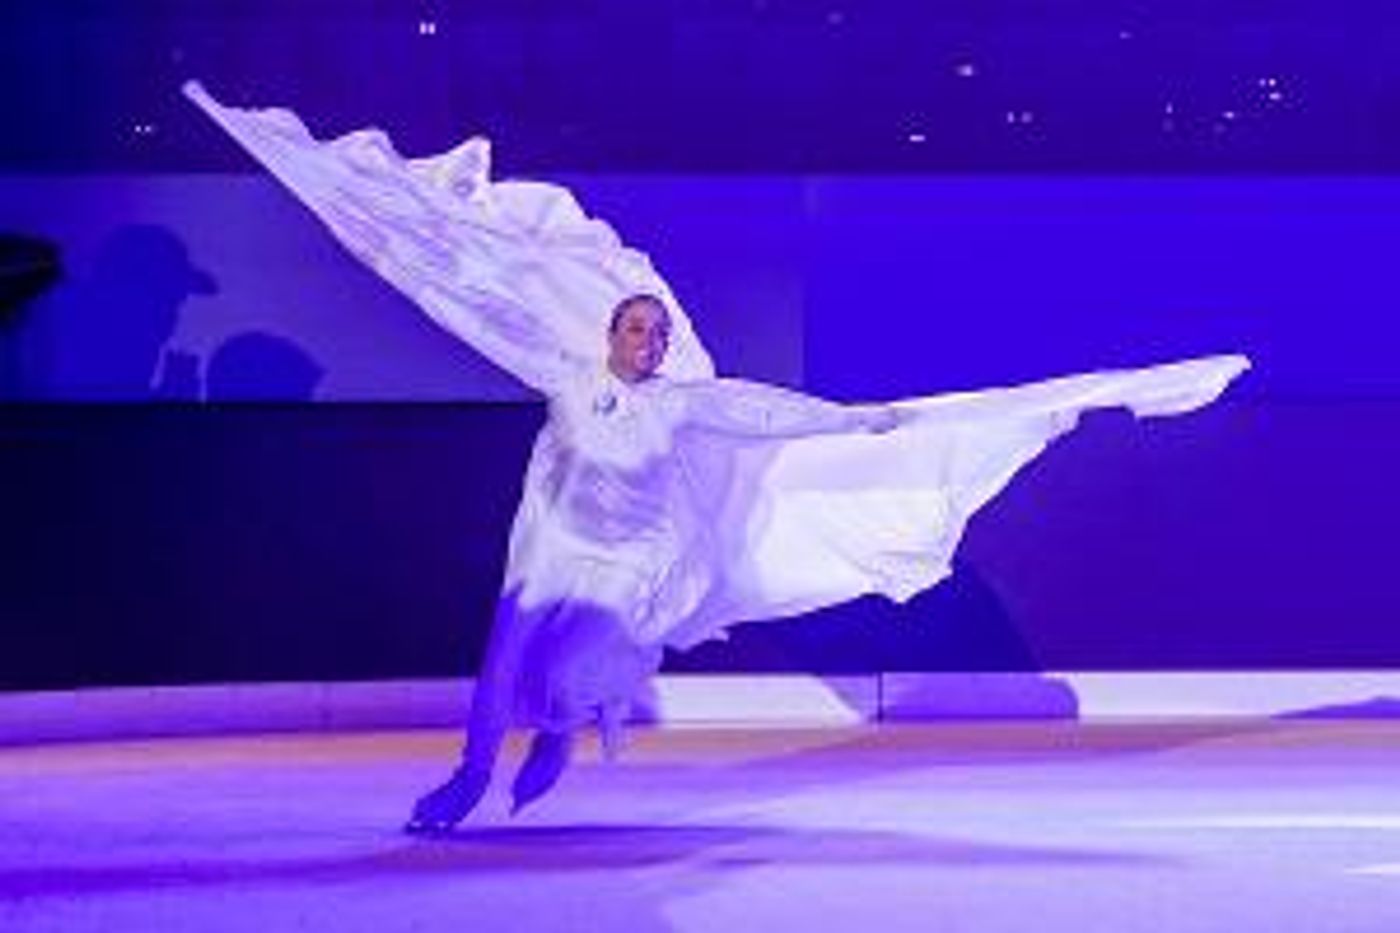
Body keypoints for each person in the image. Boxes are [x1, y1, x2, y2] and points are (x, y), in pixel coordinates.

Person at [183, 82, 1249, 830]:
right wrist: (378, 213)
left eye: (655, 333)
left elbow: (768, 414)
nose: (645, 343)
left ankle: (561, 734)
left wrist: (866, 425)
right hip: (556, 535)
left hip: (646, 561)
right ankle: (495, 760)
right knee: (510, 655)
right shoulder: (566, 377)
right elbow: (460, 287)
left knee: (579, 669)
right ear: (607, 335)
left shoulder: (690, 403)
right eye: (633, 331)